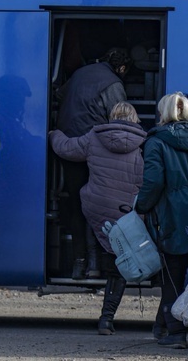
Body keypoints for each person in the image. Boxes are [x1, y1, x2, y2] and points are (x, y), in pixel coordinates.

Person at [49, 102, 146, 335]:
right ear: (134, 119)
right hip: (125, 212)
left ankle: (91, 263)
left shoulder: (95, 136)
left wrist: (54, 133)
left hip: (96, 206)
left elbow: (66, 149)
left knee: (90, 217)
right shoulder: (142, 144)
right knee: (118, 261)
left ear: (111, 116)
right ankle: (106, 318)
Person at [135, 92, 188, 349]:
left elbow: (153, 182)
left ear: (163, 113)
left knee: (172, 276)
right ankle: (172, 325)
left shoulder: (156, 143)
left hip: (172, 217)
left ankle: (176, 333)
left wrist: (140, 206)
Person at [55, 47, 132, 280]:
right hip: (96, 153)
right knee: (97, 209)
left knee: (78, 206)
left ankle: (79, 263)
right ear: (122, 68)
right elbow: (119, 119)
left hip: (69, 148)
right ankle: (96, 263)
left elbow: (60, 95)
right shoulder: (113, 84)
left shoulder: (79, 73)